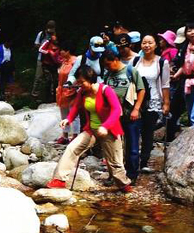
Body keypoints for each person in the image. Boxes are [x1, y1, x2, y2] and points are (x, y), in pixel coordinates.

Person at [46, 61, 132, 192]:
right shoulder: (82, 92)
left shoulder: (106, 90)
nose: (80, 85)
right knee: (72, 148)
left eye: (82, 82)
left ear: (91, 79)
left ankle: (124, 185)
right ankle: (59, 180)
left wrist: (105, 126)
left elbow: (116, 110)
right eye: (78, 82)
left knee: (115, 163)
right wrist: (68, 119)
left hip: (109, 130)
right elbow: (76, 107)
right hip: (91, 129)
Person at [101, 49, 146, 183]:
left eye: (108, 64)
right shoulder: (108, 75)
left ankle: (131, 175)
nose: (107, 67)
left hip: (130, 114)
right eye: (105, 66)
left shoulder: (131, 71)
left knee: (132, 147)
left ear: (116, 59)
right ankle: (115, 174)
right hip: (114, 116)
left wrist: (136, 109)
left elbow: (141, 90)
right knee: (114, 147)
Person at [131, 33, 171, 172]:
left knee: (148, 133)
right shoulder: (135, 61)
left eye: (150, 42)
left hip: (153, 101)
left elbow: (165, 84)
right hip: (135, 102)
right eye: (144, 43)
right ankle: (132, 161)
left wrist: (166, 103)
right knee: (133, 131)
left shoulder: (162, 62)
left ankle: (144, 161)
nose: (147, 45)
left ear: (155, 45)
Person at [55, 48, 78, 143]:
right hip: (61, 90)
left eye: (63, 50)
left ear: (68, 51)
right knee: (64, 113)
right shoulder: (63, 61)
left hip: (72, 90)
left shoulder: (75, 61)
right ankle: (65, 135)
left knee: (74, 114)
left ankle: (75, 135)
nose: (60, 52)